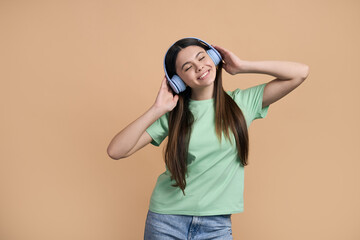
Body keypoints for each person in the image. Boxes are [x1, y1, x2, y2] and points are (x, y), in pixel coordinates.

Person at [107, 37, 309, 239]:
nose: (199, 67)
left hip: (216, 225)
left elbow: (300, 73)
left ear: (214, 57)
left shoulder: (242, 103)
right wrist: (157, 109)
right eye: (188, 67)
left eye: (202, 57)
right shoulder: (173, 115)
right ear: (178, 82)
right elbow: (116, 151)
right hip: (166, 221)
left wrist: (241, 66)